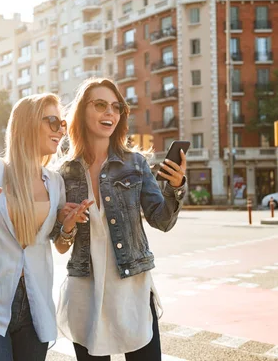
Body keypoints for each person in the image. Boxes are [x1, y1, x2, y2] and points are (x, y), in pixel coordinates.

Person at [51, 78, 187, 361]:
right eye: (100, 105)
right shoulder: (64, 173)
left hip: (132, 288)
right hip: (85, 292)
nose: (110, 113)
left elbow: (162, 221)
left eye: (116, 107)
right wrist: (67, 226)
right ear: (81, 111)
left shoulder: (134, 164)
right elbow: (61, 245)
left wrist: (174, 188)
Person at [0, 93, 90, 361]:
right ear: (26, 124)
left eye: (62, 124)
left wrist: (68, 226)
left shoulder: (55, 182)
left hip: (36, 308)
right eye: (52, 122)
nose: (60, 131)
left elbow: (60, 246)